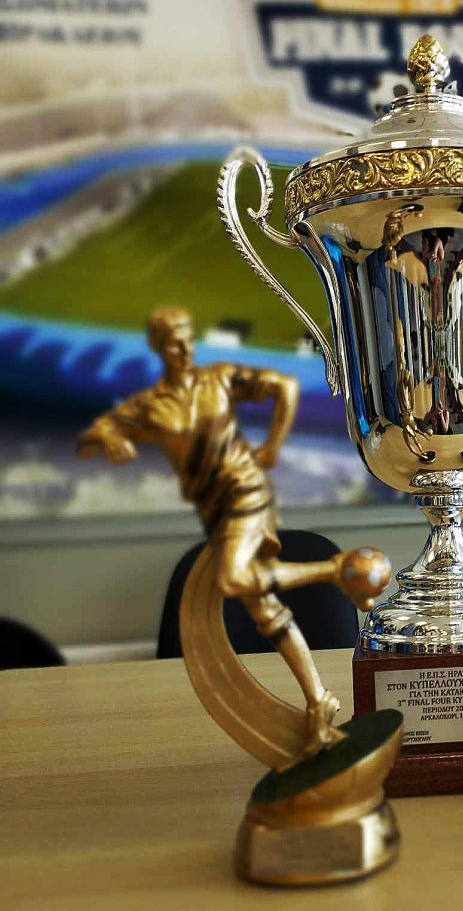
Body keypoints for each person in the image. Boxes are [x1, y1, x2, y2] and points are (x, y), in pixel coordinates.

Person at [77, 306, 390, 754]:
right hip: (217, 510)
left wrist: (272, 447)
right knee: (265, 609)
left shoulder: (218, 379)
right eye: (173, 340)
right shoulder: (150, 406)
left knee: (234, 578)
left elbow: (283, 386)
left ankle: (336, 570)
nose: (184, 347)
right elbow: (99, 429)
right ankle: (318, 700)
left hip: (246, 491)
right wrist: (112, 439)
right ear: (159, 346)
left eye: (188, 337)